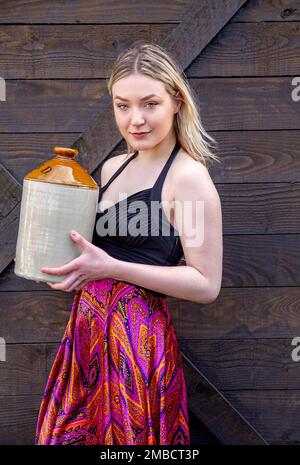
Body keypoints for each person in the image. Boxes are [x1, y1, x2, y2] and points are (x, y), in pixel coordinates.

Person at [34, 41, 223, 445]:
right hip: (85, 333)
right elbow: (95, 252)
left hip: (137, 344)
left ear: (176, 101)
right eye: (123, 105)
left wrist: (111, 269)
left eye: (149, 104)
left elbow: (206, 285)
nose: (135, 119)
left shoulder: (188, 178)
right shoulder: (113, 167)